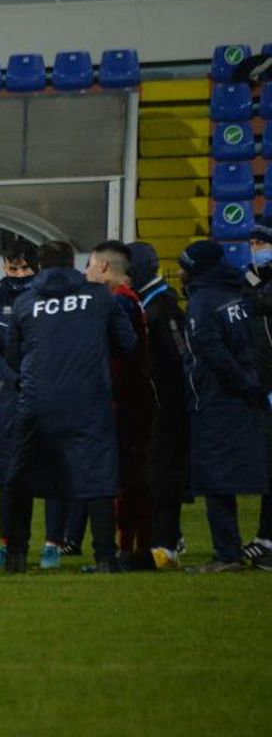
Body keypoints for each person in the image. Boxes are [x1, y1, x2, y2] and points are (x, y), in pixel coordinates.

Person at [5, 241, 136, 573]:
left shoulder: (24, 303)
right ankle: (104, 558)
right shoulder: (99, 298)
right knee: (98, 476)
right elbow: (128, 344)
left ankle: (16, 557)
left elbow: (13, 355)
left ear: (40, 267)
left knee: (21, 477)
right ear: (73, 263)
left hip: (37, 403)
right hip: (89, 400)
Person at [180, 240, 269, 573]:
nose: (180, 272)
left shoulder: (203, 301)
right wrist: (251, 383)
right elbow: (250, 343)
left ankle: (227, 554)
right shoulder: (237, 295)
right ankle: (238, 548)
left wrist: (240, 382)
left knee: (216, 478)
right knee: (234, 474)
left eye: (184, 267)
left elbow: (210, 351)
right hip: (242, 397)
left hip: (215, 400)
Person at [85, 240, 157, 570]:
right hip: (134, 400)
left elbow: (123, 355)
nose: (86, 272)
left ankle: (128, 550)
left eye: (89, 264)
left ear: (102, 266)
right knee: (131, 479)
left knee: (125, 480)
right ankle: (135, 550)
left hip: (124, 403)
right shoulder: (130, 299)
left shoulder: (119, 302)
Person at [0, 241, 50, 569]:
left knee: (53, 470)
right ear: (4, 267)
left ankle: (53, 544)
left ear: (36, 268)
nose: (19, 274)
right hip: (9, 396)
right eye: (13, 268)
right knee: (8, 476)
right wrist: (14, 379)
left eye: (24, 268)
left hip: (47, 393)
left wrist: (35, 379)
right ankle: (9, 545)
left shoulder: (48, 300)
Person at [128, 241, 190, 569]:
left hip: (167, 405)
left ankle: (165, 544)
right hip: (157, 404)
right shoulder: (151, 302)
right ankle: (167, 538)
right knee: (154, 473)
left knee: (162, 474)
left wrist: (171, 400)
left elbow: (179, 358)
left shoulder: (161, 306)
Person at [241, 217, 272, 570]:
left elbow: (262, 303)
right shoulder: (256, 281)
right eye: (251, 243)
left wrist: (251, 284)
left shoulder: (258, 285)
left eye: (261, 242)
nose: (254, 249)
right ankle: (265, 538)